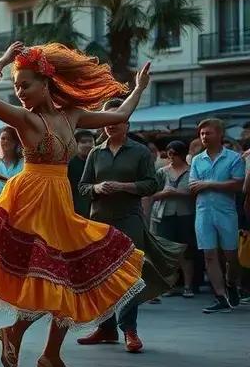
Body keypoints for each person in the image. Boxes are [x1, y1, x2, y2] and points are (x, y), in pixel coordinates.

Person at [0, 41, 151, 367]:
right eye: (16, 86)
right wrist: (2, 61)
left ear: (45, 83)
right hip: (31, 201)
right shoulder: (23, 118)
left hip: (58, 201)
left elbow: (120, 115)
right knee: (51, 280)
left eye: (25, 85)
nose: (19, 92)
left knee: (70, 280)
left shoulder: (72, 115)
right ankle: (28, 342)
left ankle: (45, 353)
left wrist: (138, 88)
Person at [76, 99, 182, 353]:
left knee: (130, 275)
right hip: (99, 220)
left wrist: (125, 187)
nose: (111, 125)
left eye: (116, 120)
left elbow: (151, 185)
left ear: (126, 122)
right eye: (107, 121)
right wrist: (97, 188)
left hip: (129, 219)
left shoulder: (140, 151)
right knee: (101, 275)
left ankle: (129, 329)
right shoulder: (95, 152)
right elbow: (83, 187)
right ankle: (106, 327)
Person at [194, 118, 244, 313]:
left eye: (208, 133)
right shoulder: (198, 160)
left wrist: (208, 184)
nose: (204, 136)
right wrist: (207, 185)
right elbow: (192, 186)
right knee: (209, 255)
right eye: (202, 134)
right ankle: (220, 296)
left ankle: (231, 284)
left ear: (220, 134)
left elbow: (238, 185)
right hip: (203, 212)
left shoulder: (234, 158)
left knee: (232, 256)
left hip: (226, 212)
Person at [152, 141, 196, 298]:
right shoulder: (162, 172)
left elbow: (196, 193)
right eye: (169, 154)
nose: (171, 157)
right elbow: (151, 194)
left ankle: (188, 285)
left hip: (186, 214)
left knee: (186, 250)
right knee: (167, 251)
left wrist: (178, 193)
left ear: (182, 154)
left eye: (174, 154)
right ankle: (168, 285)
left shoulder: (192, 171)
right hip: (164, 214)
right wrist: (164, 193)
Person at [67, 130, 96, 217]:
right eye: (83, 142)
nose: (88, 145)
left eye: (90, 141)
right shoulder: (69, 164)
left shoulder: (98, 161)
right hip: (75, 207)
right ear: (76, 144)